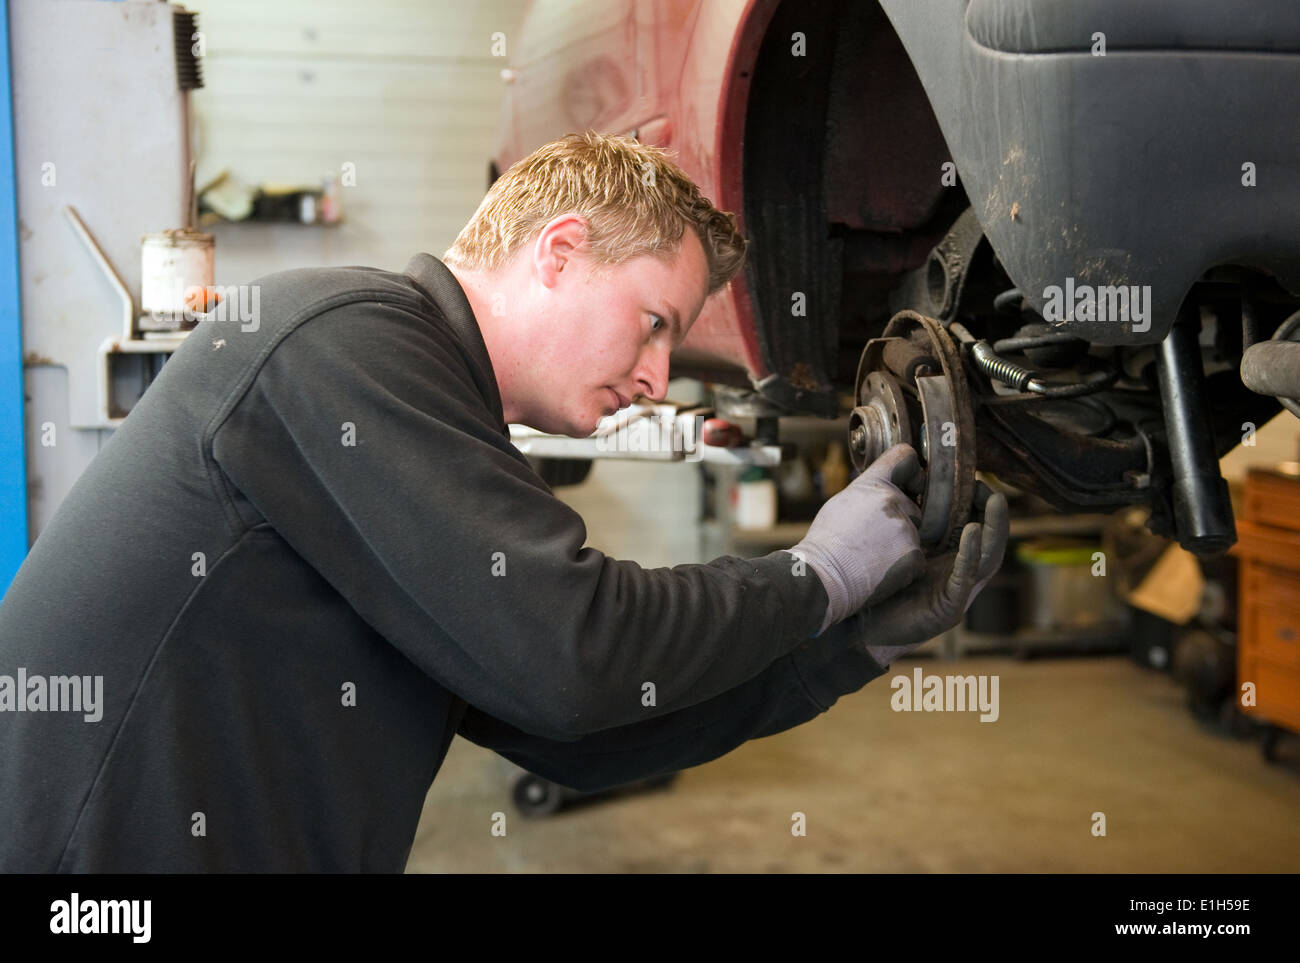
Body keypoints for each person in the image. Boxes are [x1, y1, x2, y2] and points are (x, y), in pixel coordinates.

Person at [0, 132, 1006, 872]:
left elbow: (574, 728)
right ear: (558, 250)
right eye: (653, 323)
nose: (657, 378)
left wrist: (854, 644)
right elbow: (570, 652)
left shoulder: (432, 417)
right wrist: (814, 576)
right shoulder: (342, 338)